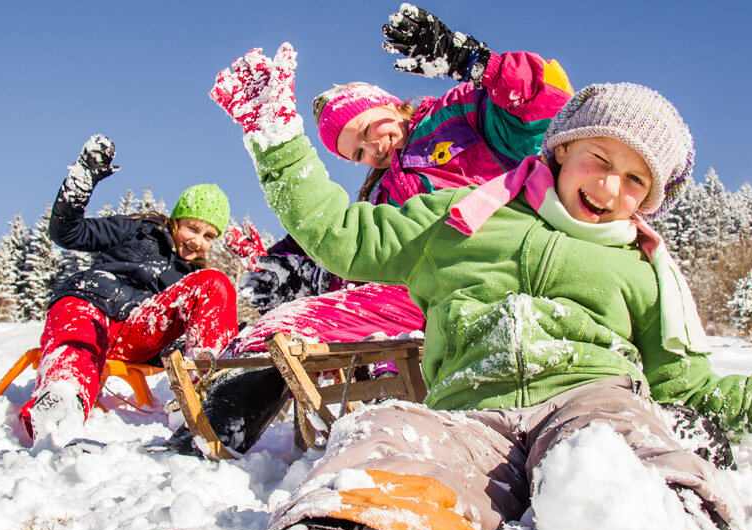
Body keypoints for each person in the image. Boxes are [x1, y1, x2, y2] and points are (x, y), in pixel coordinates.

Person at [133, 46, 752, 530]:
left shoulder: (643, 267)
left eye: (636, 178)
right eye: (598, 159)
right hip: (473, 406)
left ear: (651, 198)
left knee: (618, 443)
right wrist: (278, 141)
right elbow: (344, 237)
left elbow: (692, 390)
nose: (611, 185)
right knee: (395, 436)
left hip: (590, 394)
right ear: (564, 149)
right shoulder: (464, 218)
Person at [160, 4, 576, 457]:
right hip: (410, 296)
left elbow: (548, 107)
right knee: (284, 328)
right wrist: (282, 262)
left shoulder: (458, 117)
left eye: (366, 129)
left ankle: (207, 439)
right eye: (356, 153)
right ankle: (204, 431)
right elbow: (352, 247)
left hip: (482, 279)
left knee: (294, 328)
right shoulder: (377, 195)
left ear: (386, 103)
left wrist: (473, 61)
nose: (371, 149)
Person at [19, 135, 238, 445]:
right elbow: (67, 233)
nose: (197, 241)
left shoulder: (194, 277)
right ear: (175, 220)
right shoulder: (141, 228)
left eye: (209, 236)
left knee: (216, 282)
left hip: (137, 330)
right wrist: (82, 182)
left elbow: (179, 335)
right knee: (78, 337)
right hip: (89, 304)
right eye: (192, 227)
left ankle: (205, 400)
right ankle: (62, 403)